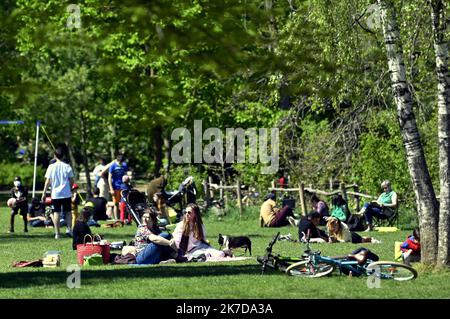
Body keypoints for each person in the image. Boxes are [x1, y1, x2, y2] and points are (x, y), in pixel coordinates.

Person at [41, 145, 74, 239]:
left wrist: (44, 193)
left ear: (54, 156)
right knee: (68, 212)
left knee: (56, 212)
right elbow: (71, 180)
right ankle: (69, 229)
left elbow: (47, 181)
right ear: (63, 156)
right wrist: (71, 188)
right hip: (66, 193)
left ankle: (57, 233)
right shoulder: (67, 166)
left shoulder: (51, 167)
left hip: (55, 194)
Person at [108, 153, 128, 221]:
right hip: (115, 187)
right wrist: (111, 188)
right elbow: (109, 177)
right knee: (116, 203)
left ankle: (124, 218)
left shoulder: (124, 165)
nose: (121, 163)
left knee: (124, 203)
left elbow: (125, 175)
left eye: (122, 162)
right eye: (120, 162)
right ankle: (116, 219)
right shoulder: (113, 166)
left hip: (123, 187)